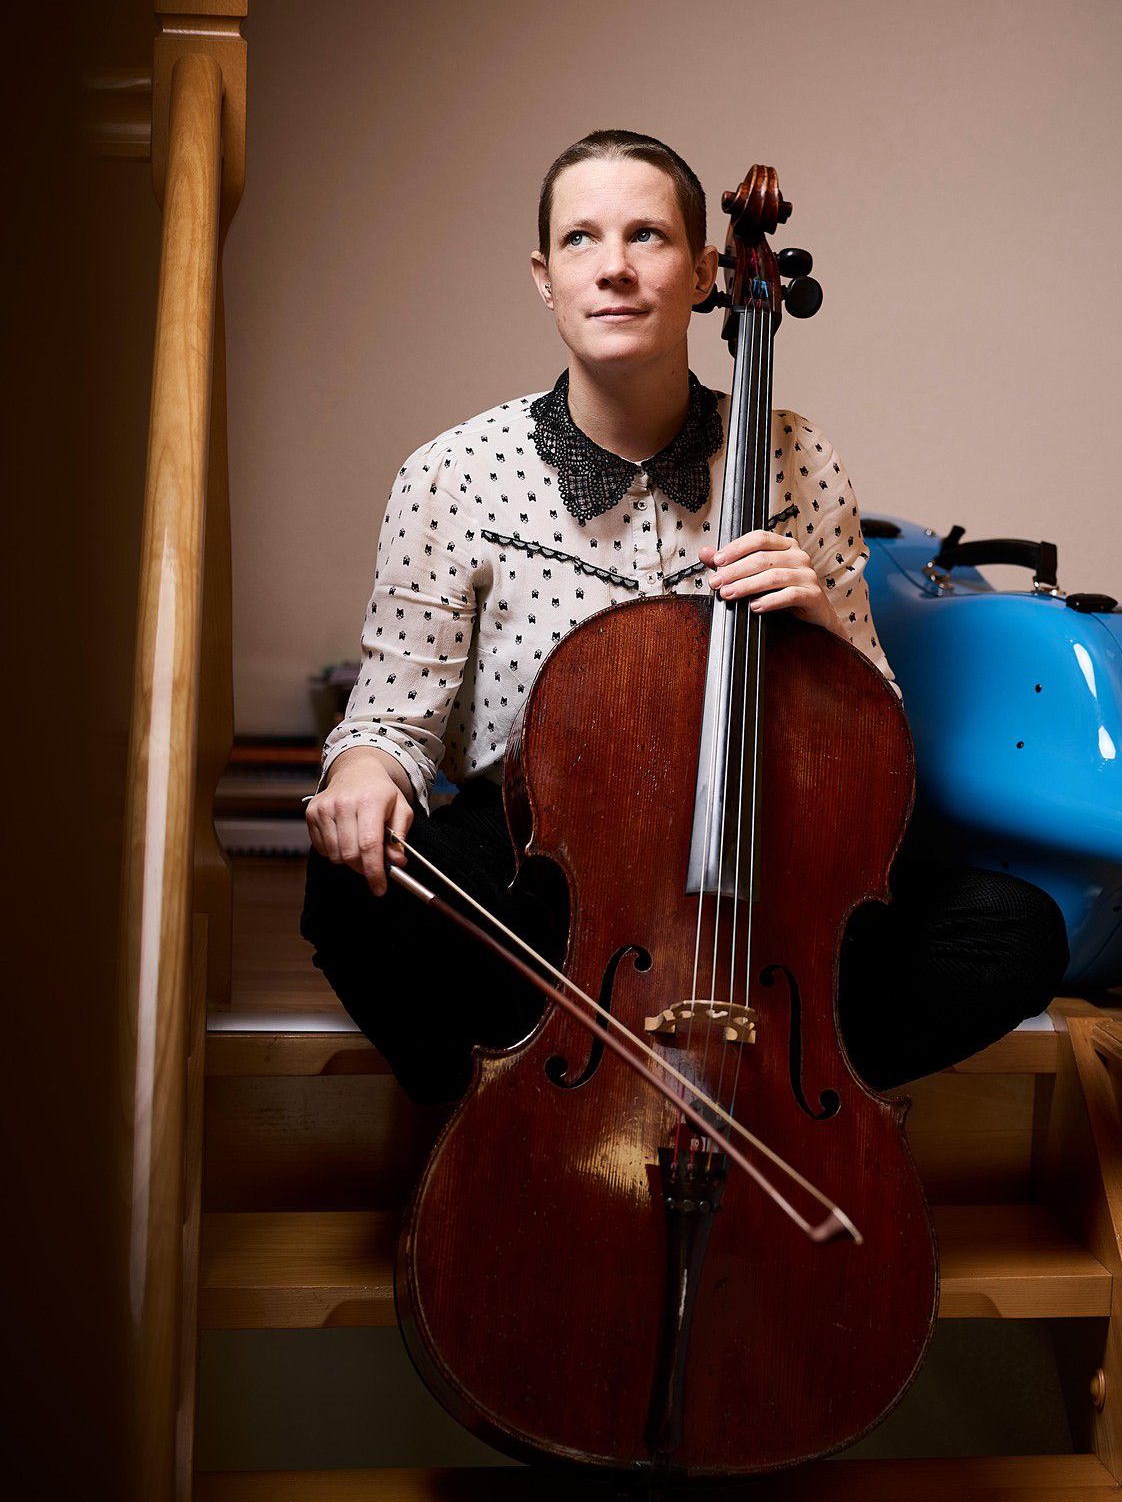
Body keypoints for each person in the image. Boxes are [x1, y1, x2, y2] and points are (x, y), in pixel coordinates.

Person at [301, 129, 1067, 1104]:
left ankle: (769, 1105)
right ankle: (533, 1130)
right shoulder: (452, 474)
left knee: (1013, 926)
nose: (614, 267)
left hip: (758, 871)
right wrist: (362, 776)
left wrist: (823, 629)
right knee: (351, 882)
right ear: (544, 277)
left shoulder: (796, 457)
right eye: (581, 239)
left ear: (707, 273)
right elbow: (391, 719)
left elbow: (880, 742)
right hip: (542, 880)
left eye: (648, 236)